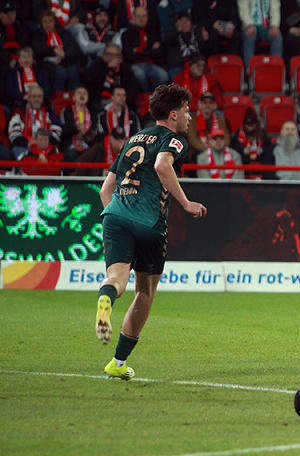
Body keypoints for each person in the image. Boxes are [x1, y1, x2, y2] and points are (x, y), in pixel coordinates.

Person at [94, 83, 208, 380]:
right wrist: (185, 203)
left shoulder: (132, 139)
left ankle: (106, 298)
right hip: (148, 221)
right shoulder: (174, 139)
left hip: (115, 216)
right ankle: (118, 362)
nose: (189, 117)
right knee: (145, 291)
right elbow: (162, 165)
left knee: (116, 279)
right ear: (173, 114)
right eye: (186, 111)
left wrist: (118, 216)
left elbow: (106, 190)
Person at [7, 85, 63, 161]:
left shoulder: (50, 112)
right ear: (29, 98)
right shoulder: (20, 112)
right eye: (33, 96)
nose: (36, 99)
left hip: (47, 146)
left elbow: (57, 133)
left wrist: (42, 142)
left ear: (42, 98)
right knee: (19, 152)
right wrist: (28, 143)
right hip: (25, 146)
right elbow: (13, 134)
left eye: (39, 96)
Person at [120, 6, 168, 95]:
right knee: (139, 75)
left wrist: (139, 50)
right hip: (135, 65)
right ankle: (147, 96)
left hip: (152, 64)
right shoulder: (127, 34)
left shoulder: (154, 33)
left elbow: (160, 53)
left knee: (163, 76)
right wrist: (150, 51)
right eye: (138, 16)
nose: (141, 19)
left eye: (144, 16)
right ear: (133, 18)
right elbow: (128, 55)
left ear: (147, 17)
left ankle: (153, 95)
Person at [60, 86, 98, 161]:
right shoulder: (67, 111)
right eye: (79, 93)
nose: (82, 94)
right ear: (74, 98)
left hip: (88, 146)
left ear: (88, 98)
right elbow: (64, 131)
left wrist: (87, 136)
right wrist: (76, 129)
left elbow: (94, 132)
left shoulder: (93, 112)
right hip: (70, 146)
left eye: (84, 93)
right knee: (72, 155)